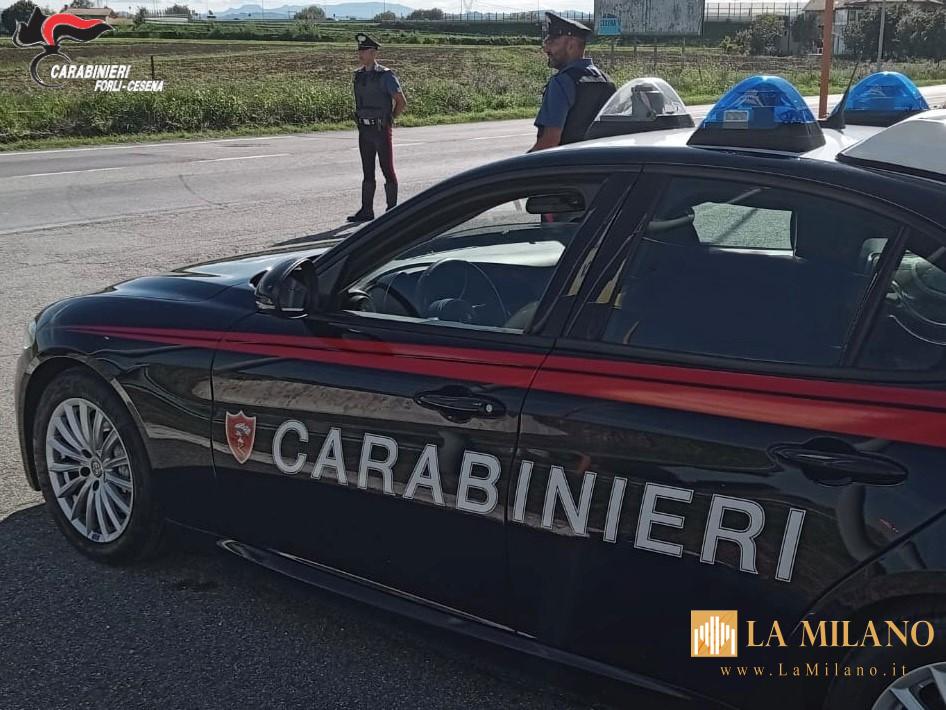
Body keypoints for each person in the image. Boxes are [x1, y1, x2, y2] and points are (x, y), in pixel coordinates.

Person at [529, 12, 616, 153]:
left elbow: (549, 142)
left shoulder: (561, 83)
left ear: (571, 44)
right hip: (598, 168)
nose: (546, 49)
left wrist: (521, 165)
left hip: (566, 168)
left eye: (552, 42)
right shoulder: (607, 81)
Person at [348, 33, 407, 222]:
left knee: (387, 169)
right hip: (364, 130)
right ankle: (367, 211)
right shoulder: (358, 75)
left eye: (364, 51)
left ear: (373, 53)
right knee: (367, 171)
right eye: (359, 50)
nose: (360, 54)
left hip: (381, 129)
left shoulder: (385, 75)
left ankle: (392, 211)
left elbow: (401, 101)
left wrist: (391, 119)